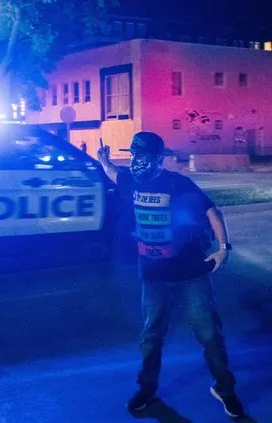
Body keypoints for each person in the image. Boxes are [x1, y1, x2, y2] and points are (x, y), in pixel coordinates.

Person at [97, 132, 246, 418]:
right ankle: (146, 389)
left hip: (191, 277)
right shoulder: (130, 181)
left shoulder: (178, 184)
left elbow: (212, 212)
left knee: (209, 336)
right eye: (133, 155)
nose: (137, 161)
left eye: (143, 156)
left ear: (158, 159)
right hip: (153, 279)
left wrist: (223, 248)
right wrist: (104, 160)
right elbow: (114, 173)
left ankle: (225, 389)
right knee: (151, 337)